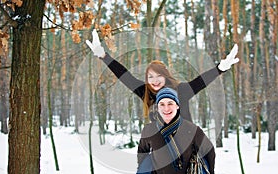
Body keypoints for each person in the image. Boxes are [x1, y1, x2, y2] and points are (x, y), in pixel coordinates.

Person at [86, 29, 239, 122]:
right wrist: (103, 56)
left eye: (158, 76)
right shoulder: (145, 92)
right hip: (160, 151)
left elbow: (201, 81)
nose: (154, 80)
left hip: (186, 147)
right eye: (150, 77)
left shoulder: (181, 91)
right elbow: (125, 76)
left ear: (165, 76)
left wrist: (220, 68)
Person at [130, 87, 216, 174]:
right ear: (157, 108)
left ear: (177, 106)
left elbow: (209, 151)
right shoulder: (149, 130)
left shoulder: (191, 129)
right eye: (162, 104)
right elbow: (142, 152)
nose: (166, 108)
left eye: (170, 103)